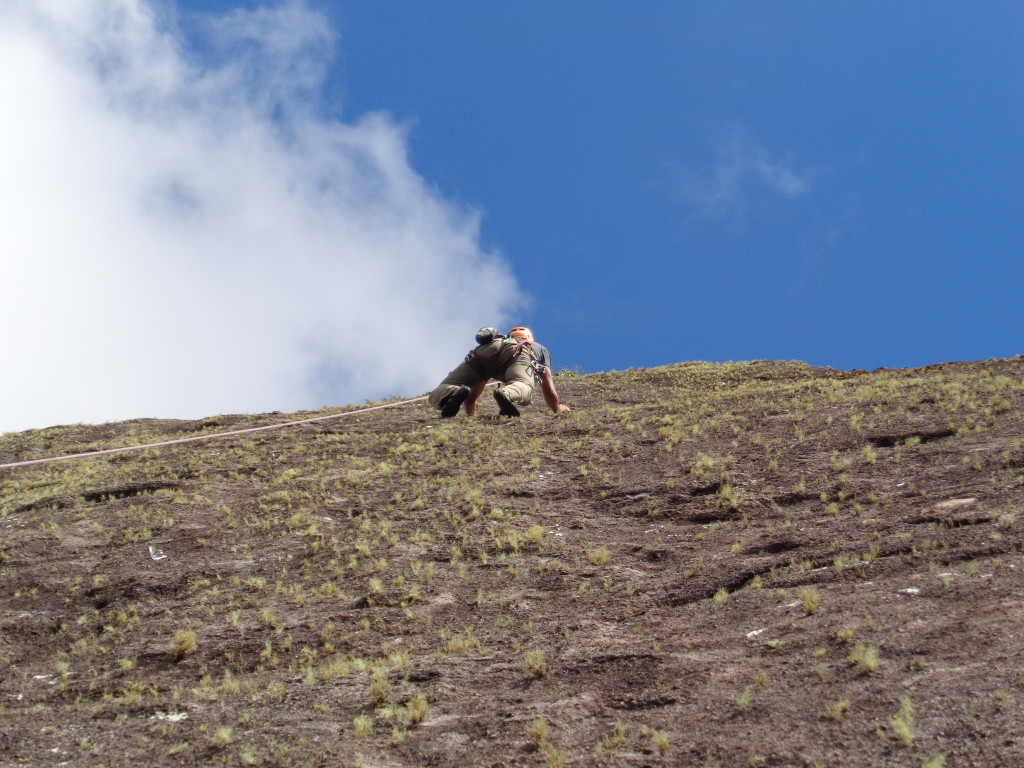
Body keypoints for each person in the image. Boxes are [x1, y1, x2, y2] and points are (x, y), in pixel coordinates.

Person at [429, 326, 571, 418]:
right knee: (522, 384)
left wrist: (471, 417)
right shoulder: (537, 347)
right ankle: (505, 394)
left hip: (483, 351)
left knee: (448, 384)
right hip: (517, 352)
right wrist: (557, 408)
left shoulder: (499, 340)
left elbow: (472, 395)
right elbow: (548, 386)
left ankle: (450, 393)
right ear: (528, 338)